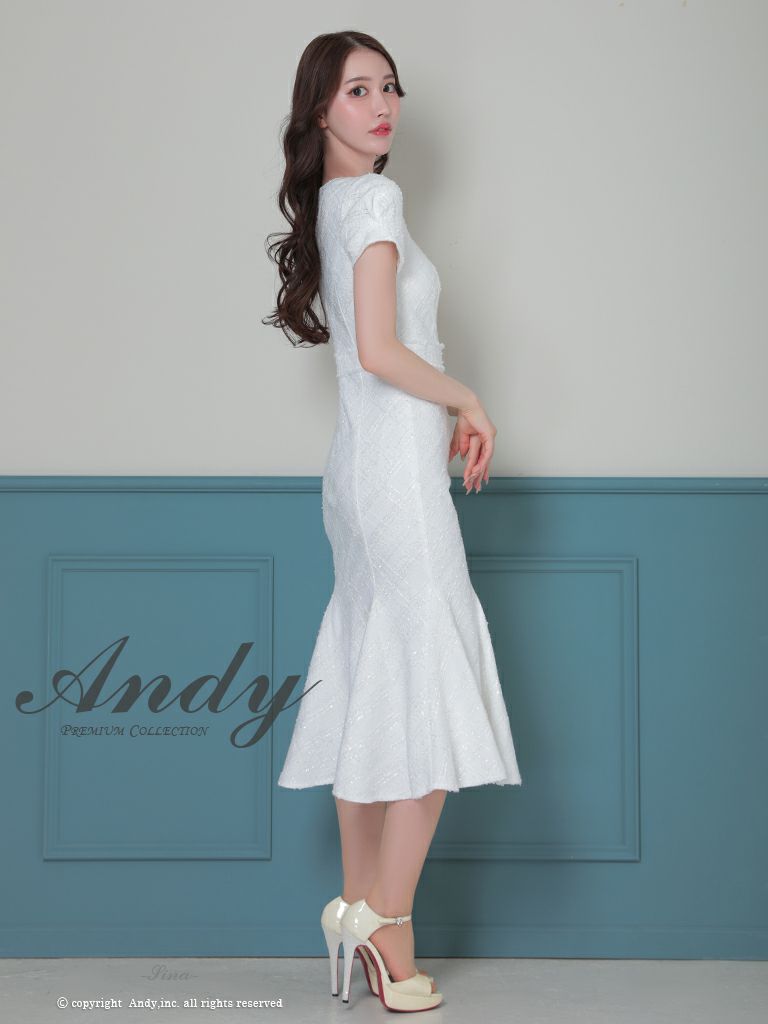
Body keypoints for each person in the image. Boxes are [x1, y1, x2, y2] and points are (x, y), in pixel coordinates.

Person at [263, 30, 522, 1013]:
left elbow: (369, 351)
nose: (382, 106)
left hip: (363, 473)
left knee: (376, 679)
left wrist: (441, 412)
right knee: (429, 693)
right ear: (319, 110)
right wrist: (469, 399)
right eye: (357, 90)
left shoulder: (336, 203)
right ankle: (388, 924)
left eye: (390, 87)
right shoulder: (372, 201)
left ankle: (354, 905)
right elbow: (379, 349)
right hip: (395, 484)